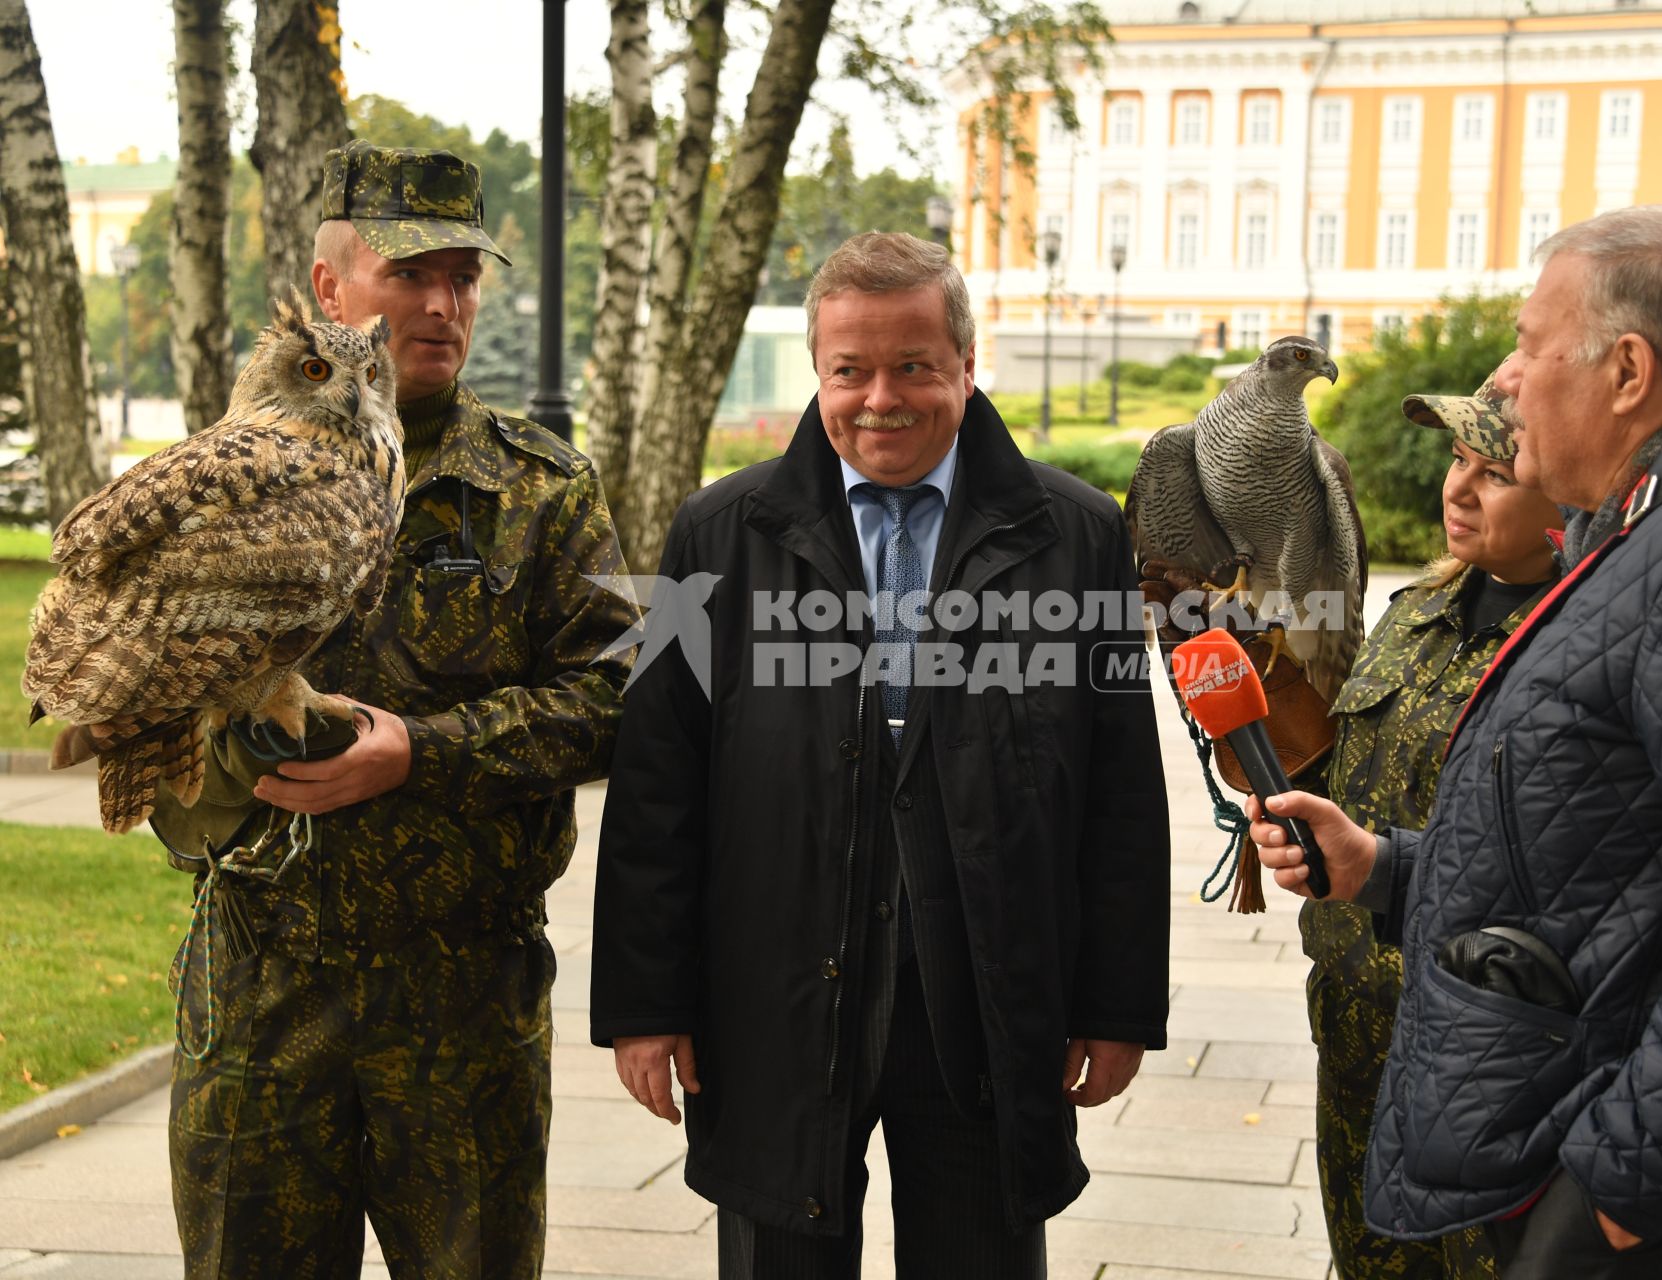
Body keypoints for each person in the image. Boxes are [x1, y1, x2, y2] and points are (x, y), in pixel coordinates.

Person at [1248, 205, 1662, 1279]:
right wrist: (1383, 868)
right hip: (1592, 1141)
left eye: (1529, 343)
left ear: (1628, 368)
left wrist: (1623, 1189)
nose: (1505, 379)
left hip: (1640, 1196)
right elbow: (1621, 866)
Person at [590, 230, 1171, 1278]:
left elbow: (1122, 793)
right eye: (849, 370)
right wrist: (645, 1004)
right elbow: (655, 781)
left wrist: (1117, 1004)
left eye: (914, 366)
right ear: (819, 371)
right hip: (774, 999)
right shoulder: (713, 533)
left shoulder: (1077, 537)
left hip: (986, 1003)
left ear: (966, 364)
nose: (880, 398)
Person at [159, 140, 637, 1278]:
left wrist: (425, 750)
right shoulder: (221, 479)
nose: (440, 302)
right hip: (260, 989)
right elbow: (148, 696)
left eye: (463, 275)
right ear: (331, 291)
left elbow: (626, 690)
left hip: (462, 1000)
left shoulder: (542, 486)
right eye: (408, 272)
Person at [1303, 362, 1559, 1280]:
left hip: (1486, 1050)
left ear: (1565, 492)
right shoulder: (1416, 611)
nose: (1457, 485)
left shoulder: (1575, 638)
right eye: (1457, 457)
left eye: (1495, 471)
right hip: (1359, 1025)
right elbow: (1355, 771)